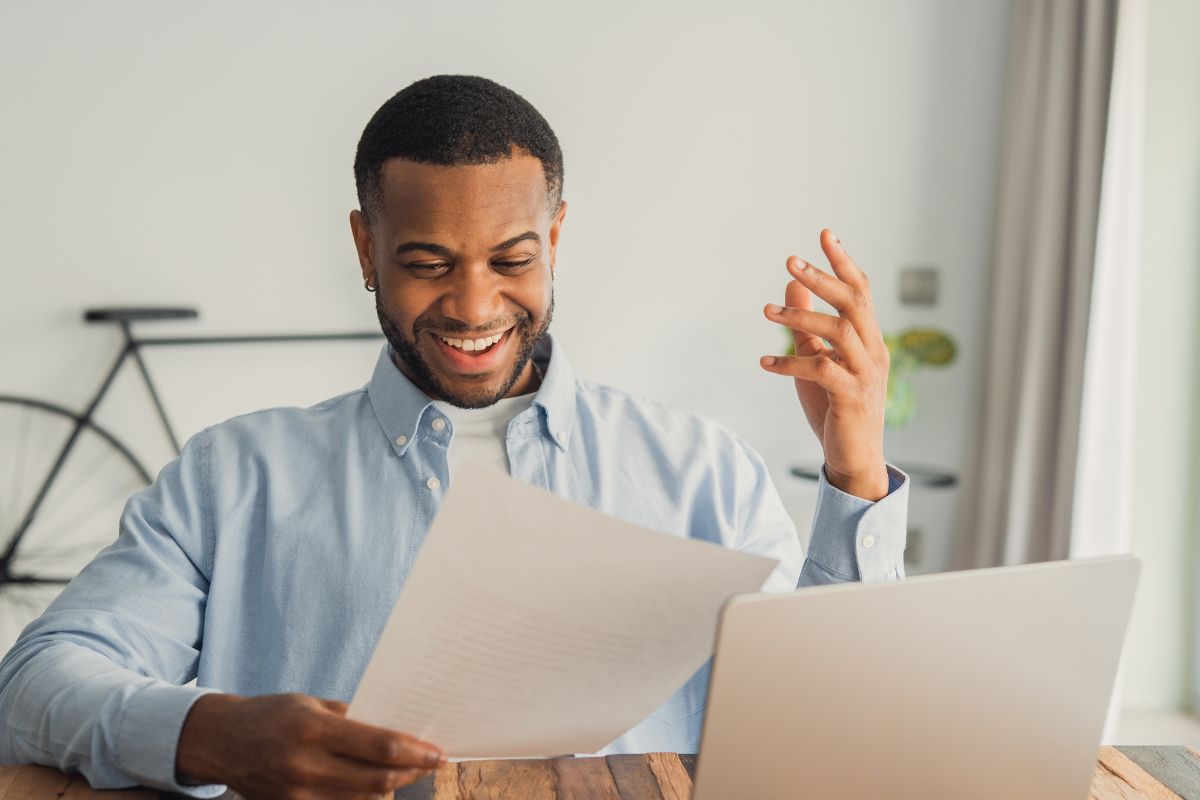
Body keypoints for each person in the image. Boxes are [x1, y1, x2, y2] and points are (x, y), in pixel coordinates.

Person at [0, 75, 908, 799]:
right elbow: (34, 686)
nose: (474, 308)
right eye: (426, 263)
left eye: (512, 259)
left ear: (555, 238)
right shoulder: (232, 478)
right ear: (365, 250)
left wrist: (855, 466)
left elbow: (830, 725)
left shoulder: (699, 472)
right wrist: (215, 735)